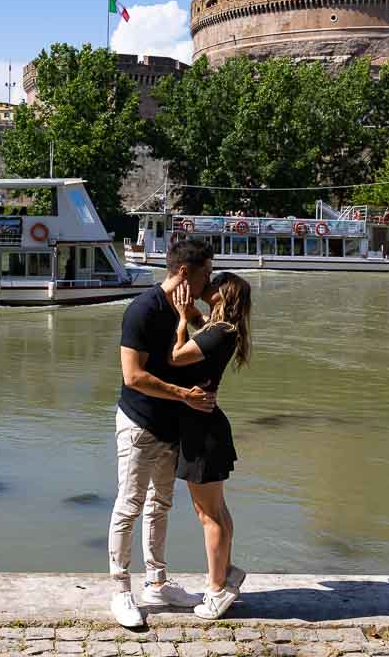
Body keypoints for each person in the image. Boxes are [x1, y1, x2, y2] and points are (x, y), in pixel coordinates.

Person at [107, 239, 218, 628]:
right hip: (139, 422)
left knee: (161, 505)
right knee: (129, 505)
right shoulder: (143, 308)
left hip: (173, 424)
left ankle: (157, 582)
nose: (211, 279)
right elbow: (132, 376)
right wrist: (184, 395)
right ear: (185, 271)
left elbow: (217, 340)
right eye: (207, 271)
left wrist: (192, 314)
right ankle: (120, 590)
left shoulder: (185, 308)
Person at [167, 273, 252, 620]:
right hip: (207, 425)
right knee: (216, 510)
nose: (209, 285)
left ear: (223, 293)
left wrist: (181, 320)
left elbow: (176, 357)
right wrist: (192, 312)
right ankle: (227, 572)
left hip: (202, 429)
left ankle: (217, 591)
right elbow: (207, 332)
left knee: (209, 515)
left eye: (214, 283)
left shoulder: (219, 333)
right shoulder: (225, 329)